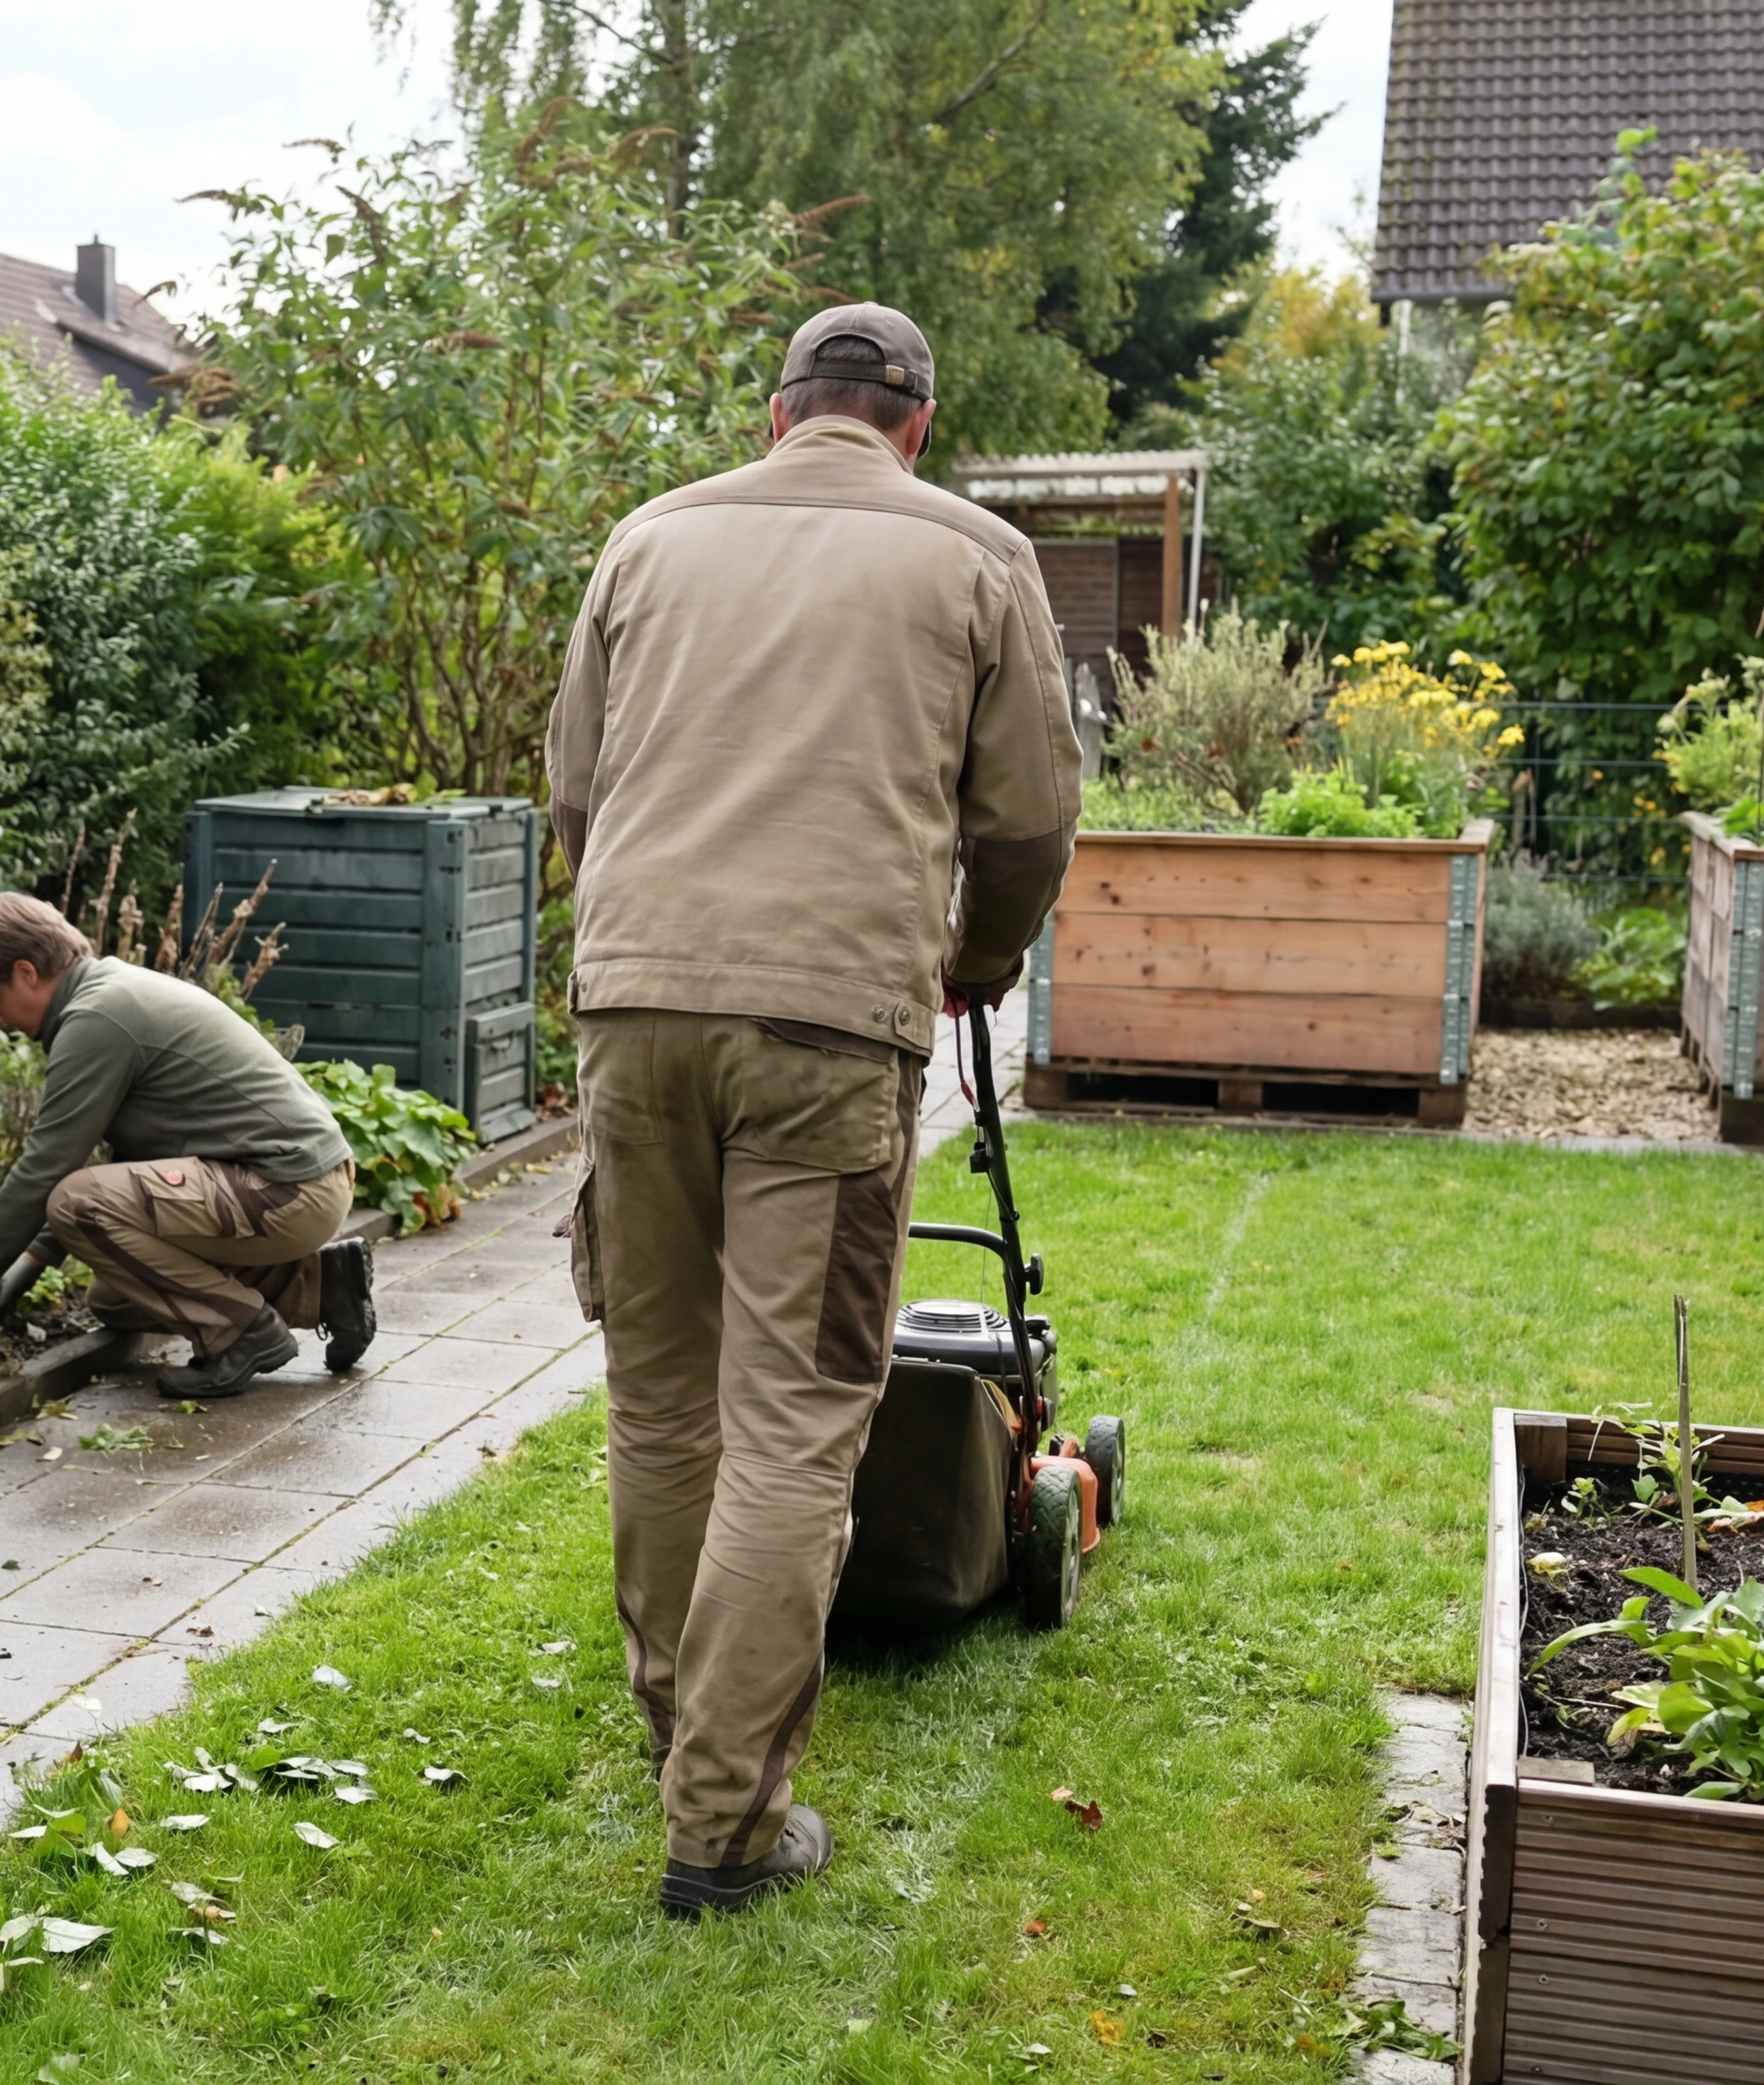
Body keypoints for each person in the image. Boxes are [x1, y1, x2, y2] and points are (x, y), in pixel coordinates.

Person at [546, 303, 1078, 1921]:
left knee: (658, 1396)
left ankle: (679, 1732)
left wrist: (645, 950)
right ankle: (721, 1819)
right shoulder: (976, 555)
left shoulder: (646, 539)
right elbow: (1031, 818)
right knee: (794, 1412)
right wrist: (971, 962)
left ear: (777, 413)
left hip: (633, 1006)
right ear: (914, 423)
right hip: (829, 1020)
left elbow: (574, 789)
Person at [0, 894, 378, 1396]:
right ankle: (324, 1288)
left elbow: (48, 1166)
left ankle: (241, 1335)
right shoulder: (109, 992)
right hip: (293, 1184)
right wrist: (31, 1263)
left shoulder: (98, 1016)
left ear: (26, 972)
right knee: (118, 1298)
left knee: (76, 1203)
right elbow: (117, 1167)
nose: (0, 1020)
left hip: (288, 1188)